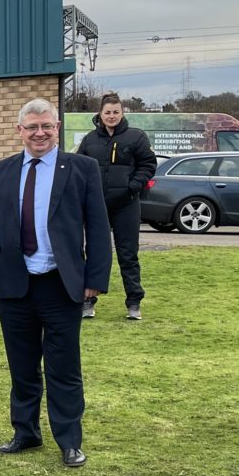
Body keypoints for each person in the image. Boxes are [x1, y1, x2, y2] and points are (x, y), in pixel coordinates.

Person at [0, 99, 111, 468]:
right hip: (15, 284)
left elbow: (97, 226)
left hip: (61, 284)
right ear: (20, 131)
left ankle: (69, 440)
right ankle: (26, 432)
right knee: (22, 366)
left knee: (64, 367)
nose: (40, 133)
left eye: (46, 126)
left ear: (57, 127)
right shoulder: (2, 171)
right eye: (32, 127)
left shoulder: (82, 168)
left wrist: (95, 278)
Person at [75, 92, 156, 320]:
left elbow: (148, 165)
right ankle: (88, 301)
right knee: (95, 253)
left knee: (128, 255)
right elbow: (79, 167)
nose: (112, 116)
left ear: (122, 113)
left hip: (126, 205)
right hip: (97, 207)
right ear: (100, 114)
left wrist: (133, 186)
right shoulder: (90, 140)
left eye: (116, 112)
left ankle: (134, 303)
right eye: (108, 112)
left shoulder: (136, 137)